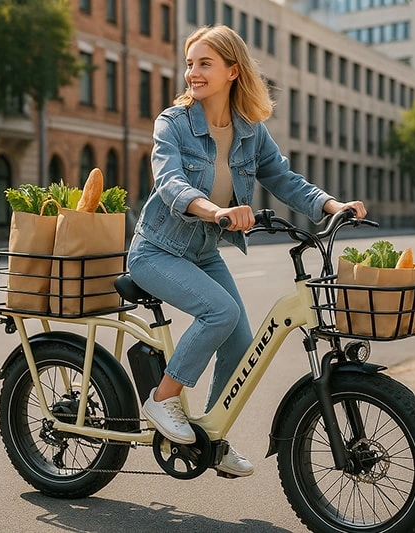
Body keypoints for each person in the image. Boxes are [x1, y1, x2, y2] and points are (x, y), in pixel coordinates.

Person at [128, 24, 367, 478]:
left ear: (232, 71)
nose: (192, 73)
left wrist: (332, 206)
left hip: (202, 253)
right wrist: (216, 209)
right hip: (156, 251)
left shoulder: (250, 131)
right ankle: (162, 399)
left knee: (240, 340)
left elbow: (282, 178)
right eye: (190, 63)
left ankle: (211, 437)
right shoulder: (172, 123)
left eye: (204, 64)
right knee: (221, 313)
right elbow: (169, 181)